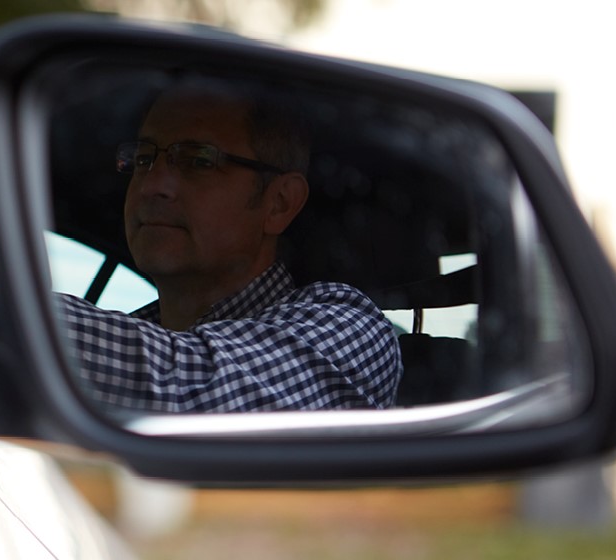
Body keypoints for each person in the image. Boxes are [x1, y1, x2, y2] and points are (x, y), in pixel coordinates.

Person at [58, 81, 403, 414]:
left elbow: (190, 393)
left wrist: (22, 317)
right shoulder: (139, 331)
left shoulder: (349, 331)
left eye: (198, 160)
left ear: (279, 203)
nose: (152, 185)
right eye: (145, 158)